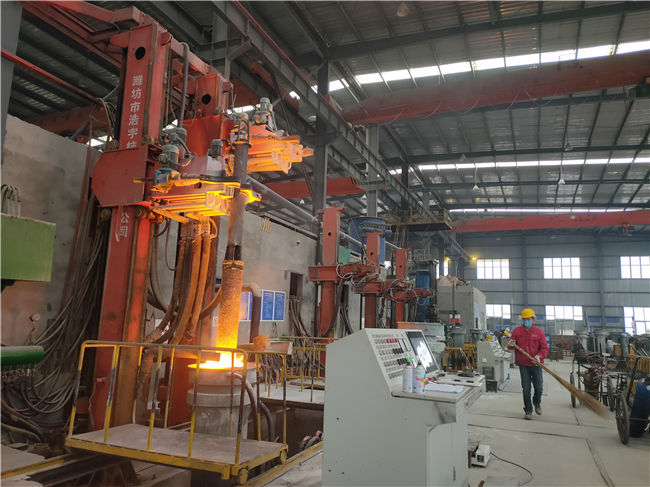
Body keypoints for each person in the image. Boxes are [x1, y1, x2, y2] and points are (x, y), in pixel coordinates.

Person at [508, 308, 548, 420]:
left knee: (539, 387)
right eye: (524, 319)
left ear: (533, 320)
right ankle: (528, 410)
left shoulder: (539, 332)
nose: (526, 321)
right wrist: (510, 344)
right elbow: (511, 347)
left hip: (536, 364)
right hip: (523, 364)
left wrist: (539, 356)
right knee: (526, 389)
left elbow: (544, 348)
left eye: (528, 319)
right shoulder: (517, 331)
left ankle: (537, 402)